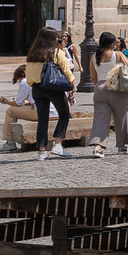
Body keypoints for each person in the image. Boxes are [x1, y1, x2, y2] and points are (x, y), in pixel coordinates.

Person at [25, 28, 76, 161]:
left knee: (42, 119)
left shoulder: (33, 54)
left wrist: (34, 84)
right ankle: (58, 144)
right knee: (64, 113)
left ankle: (42, 151)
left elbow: (28, 74)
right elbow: (66, 70)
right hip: (52, 87)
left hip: (37, 87)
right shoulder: (56, 52)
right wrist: (73, 87)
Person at [90, 31, 128, 157]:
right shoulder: (117, 55)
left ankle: (97, 147)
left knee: (100, 119)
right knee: (120, 117)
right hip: (116, 88)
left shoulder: (93, 56)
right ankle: (121, 146)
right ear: (112, 44)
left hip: (100, 89)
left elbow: (93, 78)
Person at [0, 65, 36, 150]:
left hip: (39, 111)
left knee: (10, 111)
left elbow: (17, 103)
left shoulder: (25, 81)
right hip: (54, 111)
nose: (19, 82)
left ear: (22, 75)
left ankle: (10, 142)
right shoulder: (38, 77)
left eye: (18, 79)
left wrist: (5, 100)